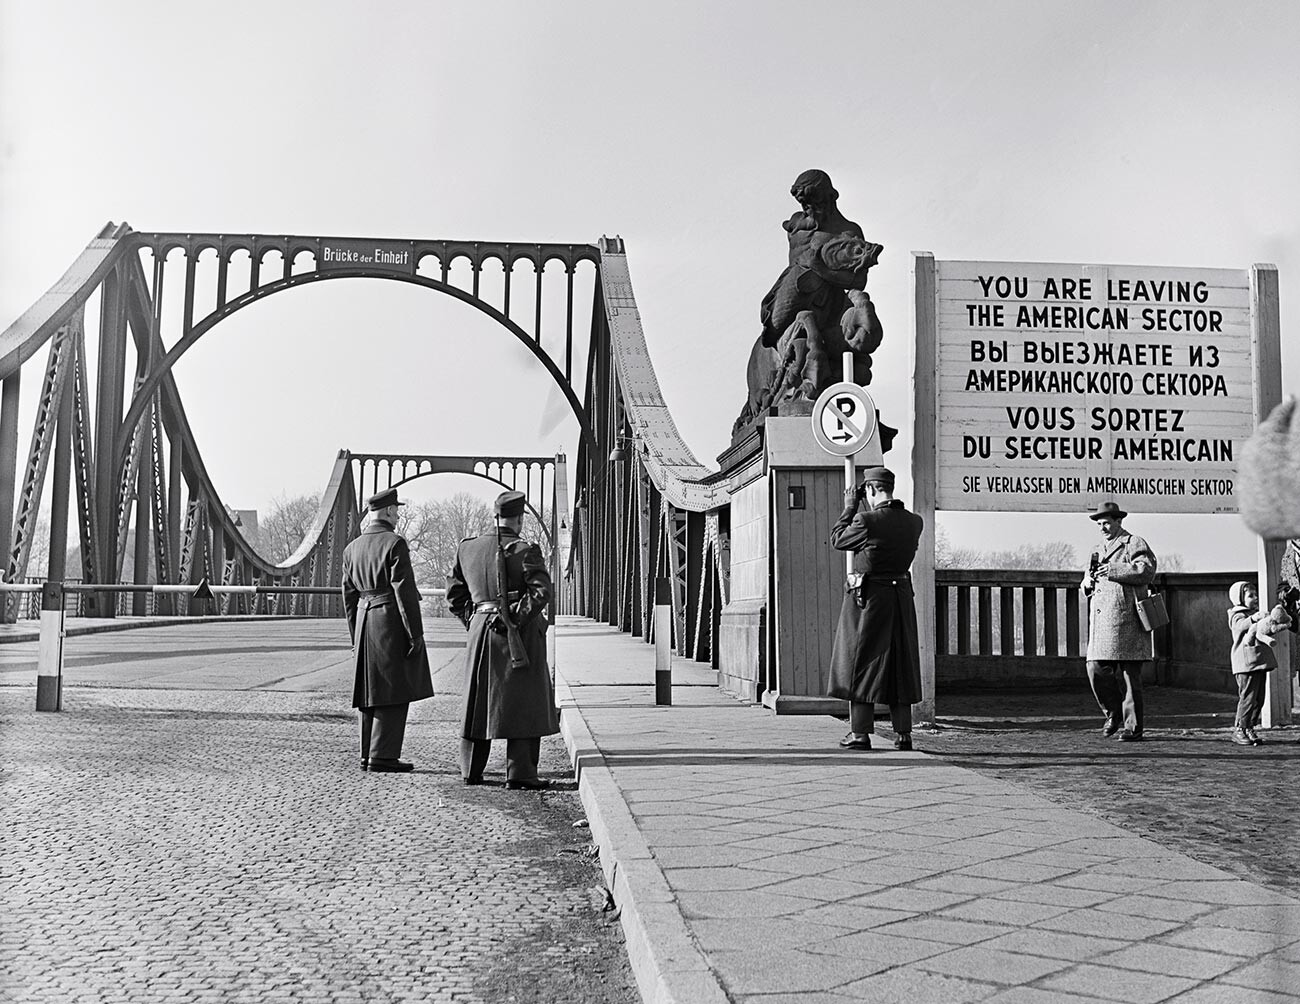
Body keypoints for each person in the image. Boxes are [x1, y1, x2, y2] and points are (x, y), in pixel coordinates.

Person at [446, 490, 559, 788]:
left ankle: (471, 769)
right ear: (519, 519)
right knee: (523, 700)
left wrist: (474, 621)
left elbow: (454, 597)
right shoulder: (525, 550)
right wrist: (515, 618)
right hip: (516, 635)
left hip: (481, 630)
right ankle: (520, 773)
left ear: (495, 516)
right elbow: (541, 592)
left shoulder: (467, 549)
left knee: (478, 700)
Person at [826, 467, 924, 751]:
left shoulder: (866, 520)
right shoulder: (914, 522)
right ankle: (904, 734)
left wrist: (848, 507)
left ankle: (860, 734)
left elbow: (838, 539)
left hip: (869, 600)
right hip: (902, 596)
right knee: (900, 664)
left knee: (860, 661)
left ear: (869, 490)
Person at [342, 487, 434, 773]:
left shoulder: (351, 548)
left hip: (364, 619)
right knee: (394, 688)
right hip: (388, 619)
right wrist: (415, 634)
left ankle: (366, 753)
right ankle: (383, 756)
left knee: (368, 689)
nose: (398, 515)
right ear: (390, 511)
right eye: (397, 510)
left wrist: (354, 634)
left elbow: (348, 596)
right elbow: (403, 593)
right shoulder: (395, 544)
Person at [1081, 501, 1157, 742]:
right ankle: (1113, 713)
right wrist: (1085, 584)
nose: (1103, 528)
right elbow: (1090, 575)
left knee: (1129, 677)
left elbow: (1146, 570)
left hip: (1127, 620)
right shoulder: (1096, 548)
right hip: (1102, 622)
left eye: (1106, 523)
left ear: (1118, 522)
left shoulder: (1134, 542)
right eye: (1100, 524)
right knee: (1094, 668)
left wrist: (1114, 570)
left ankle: (1133, 728)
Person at [1227, 580, 1291, 745]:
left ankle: (1250, 726)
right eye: (1250, 596)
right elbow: (1240, 626)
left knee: (1258, 698)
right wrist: (1254, 619)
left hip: (1258, 662)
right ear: (1240, 598)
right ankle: (1239, 728)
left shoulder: (1253, 613)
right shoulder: (1237, 615)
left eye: (1255, 595)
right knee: (1247, 697)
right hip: (1245, 663)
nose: (1255, 598)